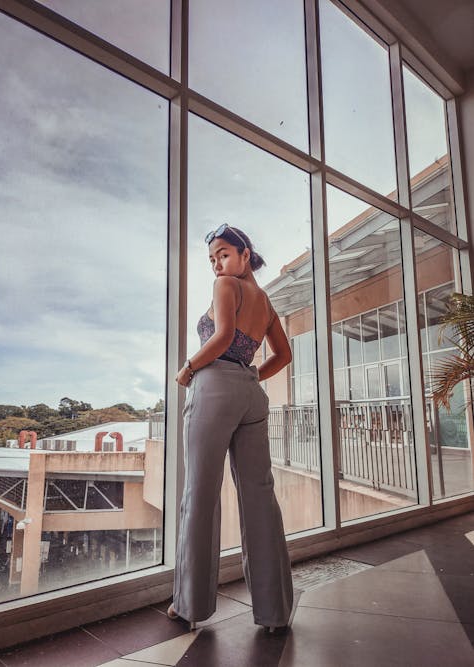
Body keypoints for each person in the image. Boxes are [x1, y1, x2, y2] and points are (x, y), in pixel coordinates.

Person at [168, 224, 293, 632]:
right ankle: (275, 613)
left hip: (215, 387)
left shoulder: (227, 287)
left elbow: (221, 337)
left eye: (223, 254)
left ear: (244, 254)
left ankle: (190, 607)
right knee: (260, 497)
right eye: (212, 259)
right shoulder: (266, 301)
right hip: (250, 393)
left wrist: (187, 369)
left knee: (200, 494)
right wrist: (253, 375)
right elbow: (283, 355)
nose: (217, 265)